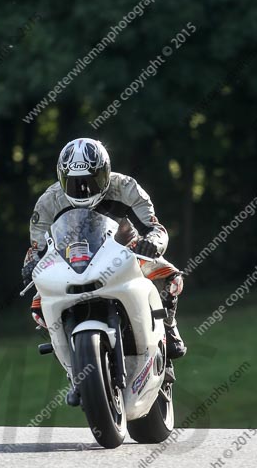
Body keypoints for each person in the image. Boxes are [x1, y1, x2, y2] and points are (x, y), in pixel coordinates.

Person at [22, 138, 186, 387]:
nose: (83, 189)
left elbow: (155, 228)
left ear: (106, 172)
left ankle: (169, 327)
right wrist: (30, 265)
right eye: (74, 183)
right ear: (61, 178)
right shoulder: (48, 202)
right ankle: (70, 359)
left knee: (170, 275)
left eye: (91, 181)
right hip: (69, 264)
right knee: (38, 306)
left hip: (123, 254)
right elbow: (36, 249)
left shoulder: (126, 188)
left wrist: (152, 242)